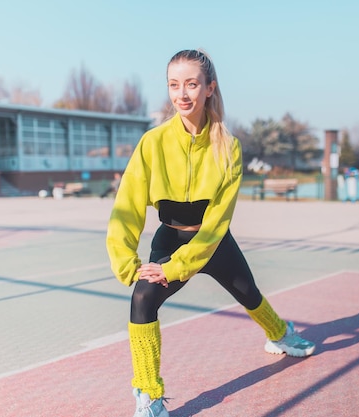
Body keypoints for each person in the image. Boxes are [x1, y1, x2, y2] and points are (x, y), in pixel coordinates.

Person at [106, 49, 315, 417]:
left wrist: (177, 268)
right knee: (142, 300)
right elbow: (128, 206)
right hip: (169, 238)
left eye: (191, 84)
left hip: (213, 243)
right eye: (174, 85)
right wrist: (128, 262)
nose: (181, 94)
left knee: (249, 294)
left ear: (209, 88)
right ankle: (150, 396)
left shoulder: (228, 148)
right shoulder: (152, 143)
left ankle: (280, 332)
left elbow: (218, 222)